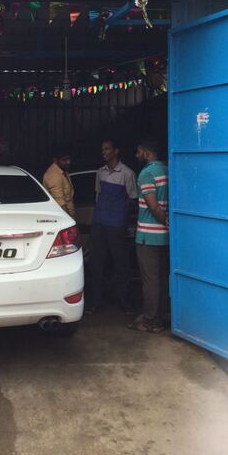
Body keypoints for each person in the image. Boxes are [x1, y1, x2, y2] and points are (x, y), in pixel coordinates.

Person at [85, 139, 138, 316]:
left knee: (121, 264)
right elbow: (98, 196)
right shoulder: (100, 172)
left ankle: (125, 303)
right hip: (99, 224)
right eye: (102, 149)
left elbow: (133, 199)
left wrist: (120, 215)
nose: (104, 152)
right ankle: (96, 302)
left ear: (116, 151)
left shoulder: (127, 173)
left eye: (107, 149)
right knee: (96, 264)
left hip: (116, 226)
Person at [128, 137, 169, 333]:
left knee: (150, 280)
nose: (136, 155)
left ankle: (150, 320)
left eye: (138, 152)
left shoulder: (146, 174)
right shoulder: (167, 170)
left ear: (146, 153)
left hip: (148, 236)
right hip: (165, 237)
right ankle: (162, 316)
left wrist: (164, 220)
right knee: (162, 277)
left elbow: (153, 206)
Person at [42, 144, 76, 219]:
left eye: (69, 159)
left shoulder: (62, 171)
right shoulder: (54, 175)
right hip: (61, 218)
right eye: (64, 160)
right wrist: (69, 220)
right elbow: (60, 203)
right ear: (55, 160)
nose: (68, 162)